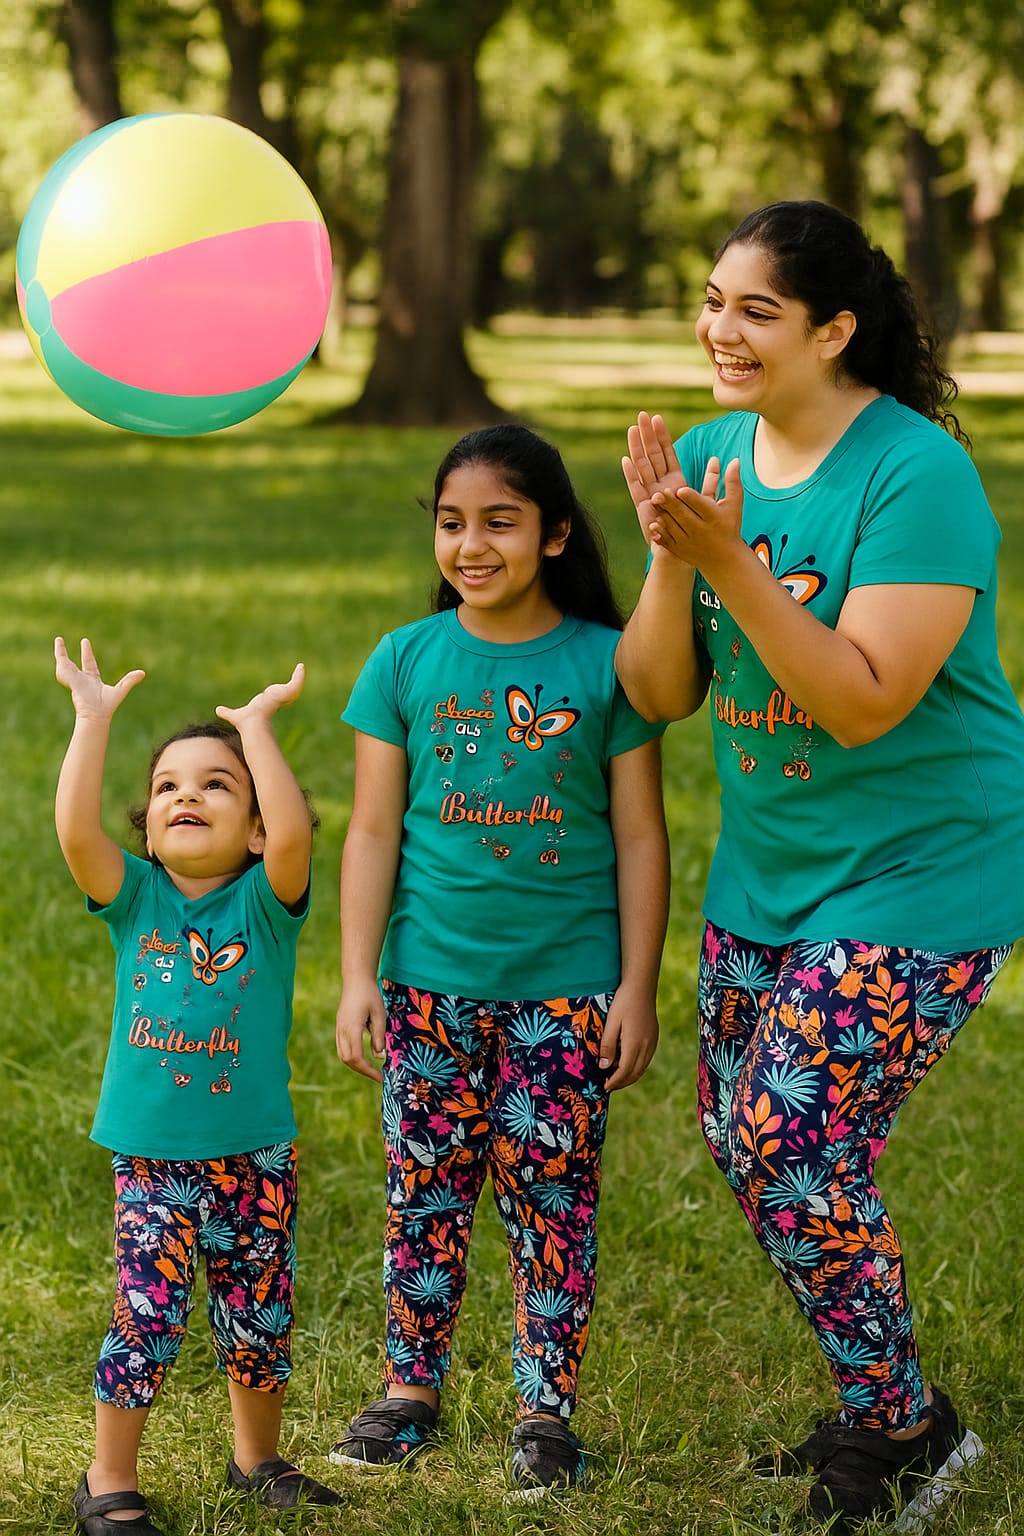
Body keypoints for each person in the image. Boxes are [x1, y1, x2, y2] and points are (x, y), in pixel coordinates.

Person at [614, 200, 1024, 1534]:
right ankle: (878, 1399)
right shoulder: (718, 452)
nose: (719, 330)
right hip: (774, 871)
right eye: (713, 299)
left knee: (793, 1132)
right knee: (743, 1142)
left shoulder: (917, 476)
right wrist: (679, 561)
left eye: (755, 309)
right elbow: (658, 691)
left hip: (930, 864)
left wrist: (731, 559)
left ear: (834, 330)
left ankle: (907, 1429)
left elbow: (860, 699)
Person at [331, 425, 669, 1497]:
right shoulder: (404, 661)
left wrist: (636, 987)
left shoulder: (607, 663)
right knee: (423, 1195)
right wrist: (354, 978)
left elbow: (639, 838)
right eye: (450, 523)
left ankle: (545, 1412)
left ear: (555, 532)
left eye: (498, 522)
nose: (470, 545)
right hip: (428, 988)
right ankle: (408, 1392)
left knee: (551, 1203)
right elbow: (374, 832)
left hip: (564, 996)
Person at [54, 638, 341, 1536]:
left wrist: (255, 730)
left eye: (219, 783)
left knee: (258, 1319)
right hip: (153, 1160)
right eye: (172, 785)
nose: (188, 794)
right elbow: (73, 831)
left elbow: (294, 833)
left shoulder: (265, 902)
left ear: (253, 830)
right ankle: (108, 1478)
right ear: (147, 826)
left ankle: (257, 1460)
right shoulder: (137, 898)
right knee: (145, 1316)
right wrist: (92, 721)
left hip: (255, 1156)